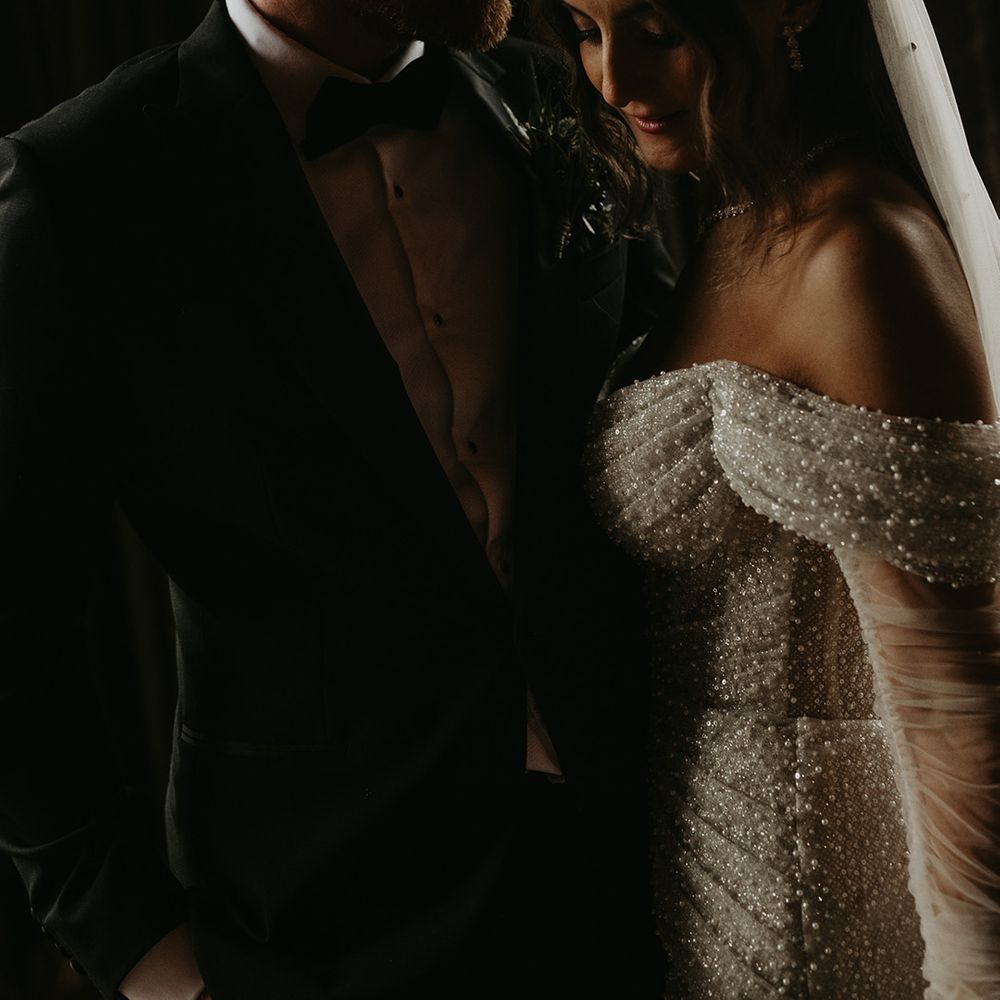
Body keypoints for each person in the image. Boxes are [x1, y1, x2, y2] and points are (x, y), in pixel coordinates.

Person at [0, 1, 676, 998]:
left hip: (640, 877)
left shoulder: (550, 95)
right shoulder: (85, 182)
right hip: (321, 932)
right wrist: (148, 958)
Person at [537, 0, 1000, 995]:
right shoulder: (726, 215)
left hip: (823, 909)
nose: (613, 79)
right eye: (584, 26)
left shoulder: (861, 251)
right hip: (693, 878)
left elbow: (956, 706)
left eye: (658, 29)